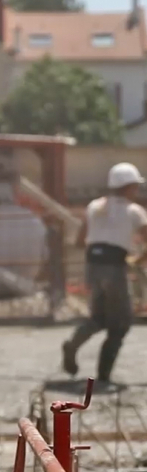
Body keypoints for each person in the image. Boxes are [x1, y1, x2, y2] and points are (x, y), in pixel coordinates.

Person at [62, 162, 147, 385]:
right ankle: (103, 375)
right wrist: (138, 259)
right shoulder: (134, 211)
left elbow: (81, 241)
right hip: (114, 267)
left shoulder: (94, 207)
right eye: (135, 186)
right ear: (128, 187)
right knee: (121, 324)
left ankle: (72, 345)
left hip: (92, 265)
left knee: (98, 317)